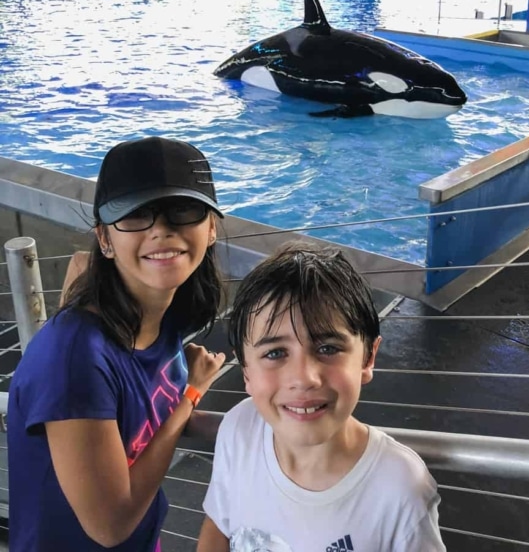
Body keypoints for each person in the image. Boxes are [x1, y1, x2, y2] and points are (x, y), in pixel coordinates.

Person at [8, 135, 227, 552]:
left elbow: (140, 425)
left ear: (211, 227)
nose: (161, 229)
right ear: (105, 240)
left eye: (182, 209)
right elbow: (110, 525)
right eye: (135, 215)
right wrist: (191, 395)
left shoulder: (163, 321)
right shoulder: (74, 357)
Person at [197, 242, 446, 552]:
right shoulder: (239, 428)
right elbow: (219, 524)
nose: (304, 378)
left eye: (327, 348)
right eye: (275, 353)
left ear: (368, 357)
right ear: (246, 370)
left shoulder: (399, 488)